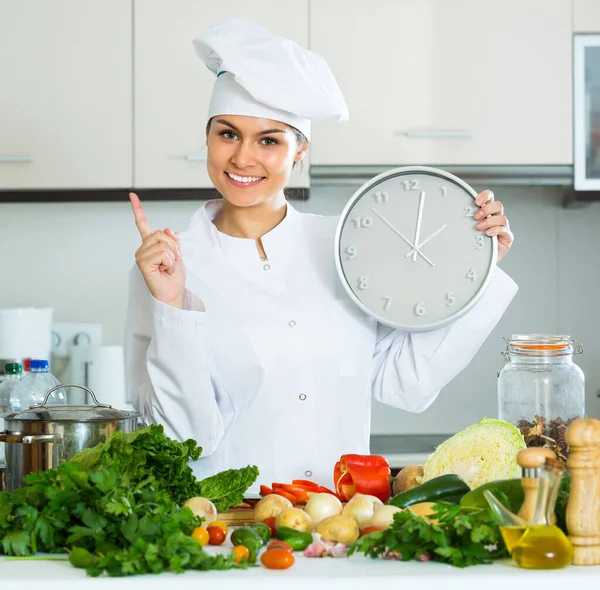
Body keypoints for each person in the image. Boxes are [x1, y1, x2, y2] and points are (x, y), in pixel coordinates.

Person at [125, 18, 518, 491]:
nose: (243, 158)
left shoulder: (347, 246)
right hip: (226, 531)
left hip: (339, 522)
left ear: (299, 151)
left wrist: (475, 267)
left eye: (269, 140)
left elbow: (405, 383)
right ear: (208, 138)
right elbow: (180, 438)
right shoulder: (167, 266)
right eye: (227, 134)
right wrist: (173, 307)